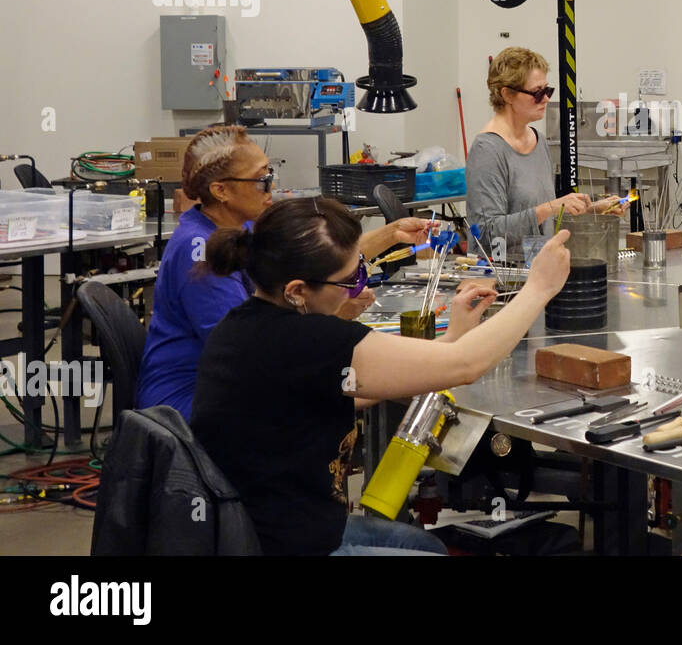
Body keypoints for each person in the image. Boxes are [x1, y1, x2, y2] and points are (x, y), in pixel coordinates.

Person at [190, 197, 573, 556]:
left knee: (429, 547)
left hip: (279, 524)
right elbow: (466, 365)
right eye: (350, 280)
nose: (361, 288)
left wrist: (452, 337)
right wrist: (539, 288)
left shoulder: (246, 324)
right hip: (283, 544)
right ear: (297, 291)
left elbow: (346, 390)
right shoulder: (307, 340)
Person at [137, 126, 432, 421]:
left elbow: (324, 259)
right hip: (190, 404)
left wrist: (393, 234)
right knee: (344, 391)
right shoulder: (198, 252)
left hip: (234, 385)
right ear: (221, 190)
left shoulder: (243, 228)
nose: (272, 188)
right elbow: (251, 354)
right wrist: (338, 319)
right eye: (262, 180)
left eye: (271, 176)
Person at [468, 47, 621, 252]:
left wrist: (592, 209)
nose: (546, 99)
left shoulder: (538, 140)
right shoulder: (488, 150)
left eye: (547, 90)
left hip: (538, 269)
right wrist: (550, 207)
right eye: (538, 92)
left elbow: (543, 216)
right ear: (507, 95)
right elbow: (487, 232)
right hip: (501, 276)